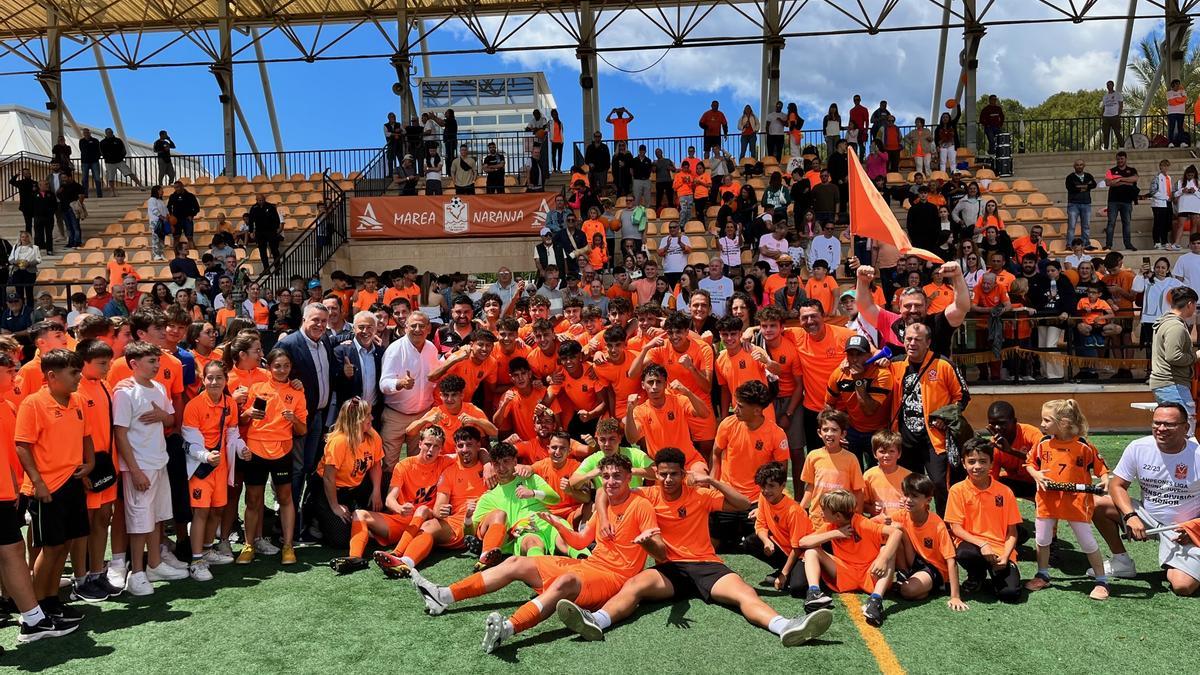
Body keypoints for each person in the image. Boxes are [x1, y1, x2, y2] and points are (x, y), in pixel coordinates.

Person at [557, 447, 831, 647]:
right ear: (657, 474)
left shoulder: (699, 494)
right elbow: (605, 491)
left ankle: (785, 627)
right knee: (635, 586)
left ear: (683, 473)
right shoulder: (647, 494)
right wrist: (603, 516)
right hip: (670, 568)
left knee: (744, 593)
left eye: (673, 474)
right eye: (662, 474)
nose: (667, 480)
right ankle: (597, 620)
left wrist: (712, 480)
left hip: (706, 565)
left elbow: (742, 504)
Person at [407, 454, 664, 653]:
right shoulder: (604, 504)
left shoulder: (640, 505)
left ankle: (508, 629)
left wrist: (647, 542)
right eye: (606, 476)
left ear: (629, 476)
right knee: (517, 562)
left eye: (617, 476)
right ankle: (444, 596)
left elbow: (659, 548)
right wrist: (556, 524)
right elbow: (582, 539)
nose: (610, 482)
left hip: (615, 577)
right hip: (591, 566)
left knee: (565, 582)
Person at [1089, 403, 1200, 596]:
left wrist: (1194, 528)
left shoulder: (1197, 455)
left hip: (1185, 527)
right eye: (1157, 423)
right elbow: (1117, 485)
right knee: (1097, 503)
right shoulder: (1139, 447)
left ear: (1186, 428)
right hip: (1146, 515)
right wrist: (1130, 515)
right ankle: (1121, 561)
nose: (1161, 429)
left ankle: (1180, 562)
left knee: (1183, 587)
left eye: (1169, 424)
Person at [1022, 399, 1111, 600]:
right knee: (1042, 539)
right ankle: (1042, 574)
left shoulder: (1083, 446)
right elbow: (1029, 463)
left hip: (1076, 502)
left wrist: (1105, 480)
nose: (1042, 424)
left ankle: (1101, 581)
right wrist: (1036, 475)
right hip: (1047, 500)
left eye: (1046, 420)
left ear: (1063, 423)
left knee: (1087, 542)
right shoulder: (1043, 443)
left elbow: (1101, 468)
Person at [238, 348, 308, 565]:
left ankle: (288, 546)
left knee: (286, 498)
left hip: (283, 451)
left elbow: (302, 430)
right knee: (253, 499)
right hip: (256, 449)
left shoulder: (297, 392)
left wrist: (294, 419)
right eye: (277, 365)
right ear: (269, 366)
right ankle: (249, 545)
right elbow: (241, 421)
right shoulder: (257, 388)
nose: (281, 370)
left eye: (286, 366)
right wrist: (247, 414)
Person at [888, 322, 968, 513]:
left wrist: (945, 417)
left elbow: (962, 396)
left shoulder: (943, 364)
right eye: (908, 339)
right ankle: (914, 527)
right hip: (905, 438)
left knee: (940, 483)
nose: (912, 343)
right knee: (909, 486)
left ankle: (946, 526)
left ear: (928, 342)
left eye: (918, 339)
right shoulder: (895, 364)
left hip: (935, 438)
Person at [799, 488, 902, 626]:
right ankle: (814, 592)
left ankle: (875, 601)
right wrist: (835, 533)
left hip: (870, 573)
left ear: (838, 516)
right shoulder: (831, 526)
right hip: (845, 572)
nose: (820, 511)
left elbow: (896, 533)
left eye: (824, 509)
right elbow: (803, 542)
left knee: (886, 551)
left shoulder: (862, 523)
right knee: (811, 551)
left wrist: (882, 559)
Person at [276, 303, 335, 529]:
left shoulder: (325, 341)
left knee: (310, 466)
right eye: (315, 320)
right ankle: (287, 521)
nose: (319, 325)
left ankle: (304, 516)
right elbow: (276, 375)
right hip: (296, 418)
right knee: (297, 469)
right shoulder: (288, 343)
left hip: (318, 416)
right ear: (304, 319)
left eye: (323, 321)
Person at [944, 438, 1022, 603]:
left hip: (1000, 549)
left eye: (982, 461)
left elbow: (1012, 532)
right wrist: (983, 544)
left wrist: (1006, 556)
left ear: (991, 464)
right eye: (971, 462)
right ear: (964, 464)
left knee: (1010, 595)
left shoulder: (1005, 492)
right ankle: (976, 575)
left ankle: (996, 572)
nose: (977, 466)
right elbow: (956, 529)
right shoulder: (957, 491)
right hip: (973, 547)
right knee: (964, 553)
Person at [890, 473, 969, 610]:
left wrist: (955, 596)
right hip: (914, 561)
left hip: (934, 568)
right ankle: (903, 575)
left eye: (914, 496)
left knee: (908, 591)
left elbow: (951, 560)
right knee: (895, 528)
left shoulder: (937, 524)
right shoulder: (901, 514)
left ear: (928, 500)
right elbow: (878, 525)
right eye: (906, 495)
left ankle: (933, 585)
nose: (908, 500)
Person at [314, 398, 383, 551]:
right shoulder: (339, 441)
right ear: (357, 419)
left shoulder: (372, 435)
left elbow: (376, 463)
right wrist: (335, 506)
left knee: (386, 487)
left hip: (355, 488)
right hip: (331, 490)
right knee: (341, 540)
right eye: (368, 415)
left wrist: (376, 490)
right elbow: (328, 477)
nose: (372, 418)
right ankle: (315, 517)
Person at [1148, 286, 1199, 436]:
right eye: (1195, 305)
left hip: (1168, 383)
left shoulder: (1167, 322)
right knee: (1183, 431)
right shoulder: (1175, 326)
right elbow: (1173, 356)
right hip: (1172, 384)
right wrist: (1195, 356)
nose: (1195, 309)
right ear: (1189, 304)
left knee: (1174, 432)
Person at [1105, 151, 1138, 251]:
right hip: (1113, 201)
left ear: (1125, 159)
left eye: (1122, 159)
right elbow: (1108, 183)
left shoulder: (1132, 170)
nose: (1120, 161)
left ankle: (1128, 244)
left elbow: (1135, 179)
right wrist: (1124, 182)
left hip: (1127, 201)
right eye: (1118, 159)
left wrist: (1119, 179)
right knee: (1111, 223)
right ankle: (1108, 245)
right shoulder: (1111, 170)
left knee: (1127, 223)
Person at [248, 193, 282, 272]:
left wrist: (275, 229)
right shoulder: (254, 208)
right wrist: (251, 231)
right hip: (260, 233)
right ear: (256, 200)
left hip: (271, 232)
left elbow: (276, 219)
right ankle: (266, 269)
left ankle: (277, 268)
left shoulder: (271, 207)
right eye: (259, 200)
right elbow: (251, 221)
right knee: (262, 252)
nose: (261, 201)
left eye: (262, 200)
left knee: (274, 250)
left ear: (264, 199)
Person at [7, 230, 40, 307]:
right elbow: (10, 259)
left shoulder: (35, 248)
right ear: (20, 238)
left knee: (29, 292)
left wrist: (29, 263)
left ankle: (30, 309)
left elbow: (38, 259)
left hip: (29, 271)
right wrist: (16, 262)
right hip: (17, 271)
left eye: (26, 237)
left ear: (29, 238)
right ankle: (20, 308)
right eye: (22, 237)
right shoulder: (15, 247)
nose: (24, 238)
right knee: (19, 292)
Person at [1100, 80, 1124, 150]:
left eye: (1110, 85)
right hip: (1106, 116)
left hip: (1115, 116)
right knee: (1105, 133)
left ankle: (1122, 146)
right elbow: (1104, 106)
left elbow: (1121, 105)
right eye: (1107, 85)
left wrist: (1118, 114)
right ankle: (1106, 147)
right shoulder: (1105, 96)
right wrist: (1102, 115)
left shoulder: (1118, 94)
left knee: (1117, 132)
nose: (1108, 86)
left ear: (1113, 85)